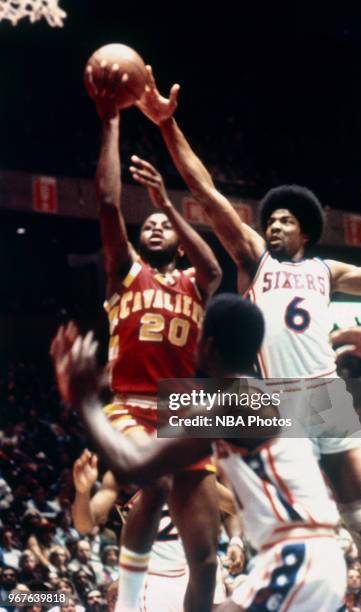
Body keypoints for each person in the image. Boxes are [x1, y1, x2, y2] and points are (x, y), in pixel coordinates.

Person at [132, 66, 361, 612]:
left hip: (325, 395)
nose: (276, 225)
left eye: (285, 221)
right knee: (208, 444)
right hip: (272, 397)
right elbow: (207, 192)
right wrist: (167, 126)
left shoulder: (329, 271)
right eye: (271, 219)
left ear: (305, 231)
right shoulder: (254, 258)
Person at [50, 294, 347, 611]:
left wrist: (85, 401)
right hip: (311, 557)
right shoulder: (257, 399)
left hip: (295, 559)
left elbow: (134, 463)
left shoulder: (229, 404)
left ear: (205, 347)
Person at [82, 59, 223, 612]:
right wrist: (111, 119)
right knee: (156, 481)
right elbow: (110, 203)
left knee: (207, 562)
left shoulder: (193, 279)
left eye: (163, 223)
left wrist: (168, 202)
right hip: (132, 405)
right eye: (152, 225)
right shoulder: (126, 273)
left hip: (185, 410)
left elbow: (213, 270)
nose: (156, 226)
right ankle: (129, 603)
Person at [71, 448, 241, 611]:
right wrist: (82, 491)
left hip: (197, 567)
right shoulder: (119, 477)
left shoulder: (186, 468)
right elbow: (85, 525)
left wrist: (236, 541)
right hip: (155, 578)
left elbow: (234, 507)